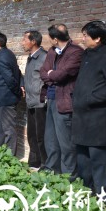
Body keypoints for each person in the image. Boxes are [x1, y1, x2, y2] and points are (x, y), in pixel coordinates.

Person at [72, 21, 106, 196]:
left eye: (86, 35)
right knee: (82, 155)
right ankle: (87, 188)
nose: (83, 38)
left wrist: (89, 99)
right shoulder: (87, 54)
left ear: (98, 38)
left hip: (97, 116)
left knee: (97, 155)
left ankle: (103, 193)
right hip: (81, 114)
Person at [40, 24, 83, 176]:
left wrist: (52, 74)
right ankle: (52, 169)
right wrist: (53, 74)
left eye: (50, 38)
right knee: (50, 138)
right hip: (50, 98)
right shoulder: (52, 51)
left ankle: (69, 175)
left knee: (66, 142)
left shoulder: (76, 52)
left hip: (65, 101)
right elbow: (43, 73)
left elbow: (63, 74)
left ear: (55, 39)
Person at [0, 33, 22, 156]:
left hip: (7, 98)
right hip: (4, 98)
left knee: (8, 129)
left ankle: (10, 157)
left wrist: (18, 92)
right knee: (1, 127)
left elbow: (9, 79)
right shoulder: (6, 54)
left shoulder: (3, 56)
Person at [21, 30, 48, 171]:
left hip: (40, 102)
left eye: (25, 39)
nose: (22, 42)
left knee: (41, 135)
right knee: (31, 134)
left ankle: (45, 164)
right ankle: (34, 162)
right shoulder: (30, 57)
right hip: (30, 101)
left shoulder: (44, 57)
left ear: (33, 41)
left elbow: (48, 80)